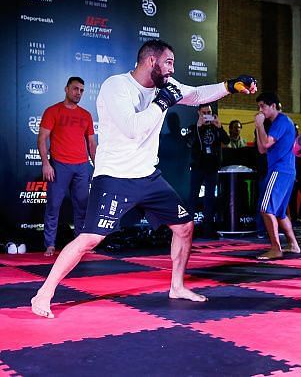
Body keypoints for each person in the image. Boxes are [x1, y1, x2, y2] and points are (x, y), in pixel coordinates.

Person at [31, 39, 257, 318]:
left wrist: (231, 85)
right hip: (115, 176)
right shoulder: (117, 87)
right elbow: (132, 129)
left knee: (185, 226)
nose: (173, 70)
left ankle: (177, 286)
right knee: (89, 238)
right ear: (152, 62)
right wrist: (162, 103)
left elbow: (197, 94)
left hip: (148, 176)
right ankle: (44, 293)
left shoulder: (166, 88)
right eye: (169, 63)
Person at [38, 77, 97, 257]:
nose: (78, 93)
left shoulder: (86, 115)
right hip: (59, 166)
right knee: (53, 206)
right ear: (66, 89)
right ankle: (50, 245)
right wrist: (46, 163)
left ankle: (81, 246)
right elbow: (41, 139)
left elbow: (92, 144)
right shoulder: (52, 111)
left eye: (81, 90)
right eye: (75, 89)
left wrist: (97, 166)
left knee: (82, 207)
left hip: (81, 167)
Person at [253, 92, 300, 259]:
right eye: (259, 107)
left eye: (263, 106)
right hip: (284, 170)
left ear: (273, 106)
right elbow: (261, 149)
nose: (261, 110)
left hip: (280, 170)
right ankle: (293, 245)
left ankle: (276, 248)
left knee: (266, 209)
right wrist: (259, 127)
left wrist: (259, 126)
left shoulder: (281, 121)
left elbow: (265, 143)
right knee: (279, 212)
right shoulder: (275, 123)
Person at [186, 103, 230, 239]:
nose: (206, 115)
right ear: (199, 113)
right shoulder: (194, 128)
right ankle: (188, 230)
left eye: (209, 112)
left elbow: (227, 141)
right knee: (193, 198)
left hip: (212, 167)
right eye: (204, 112)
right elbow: (189, 142)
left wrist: (220, 127)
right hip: (198, 166)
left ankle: (208, 228)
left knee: (210, 199)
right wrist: (198, 127)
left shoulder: (215, 127)